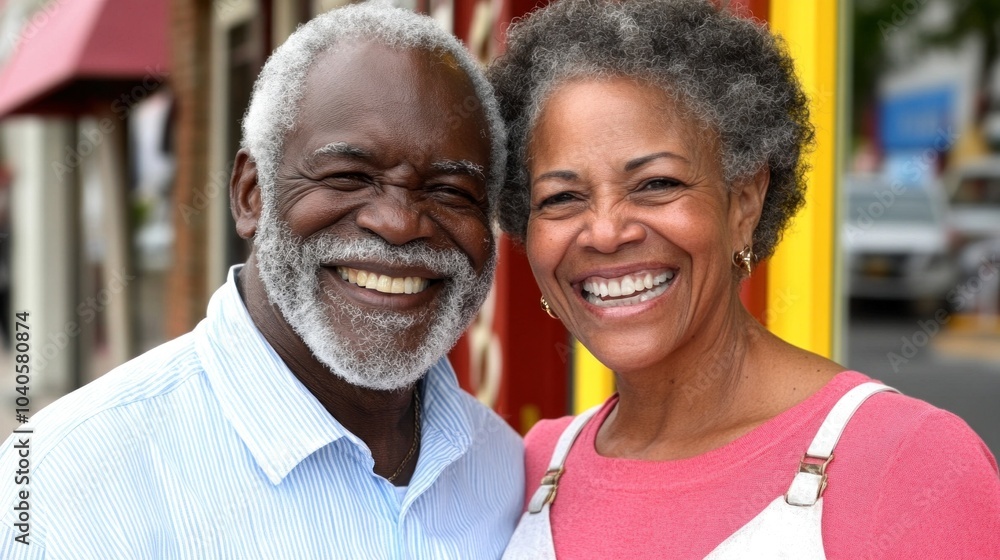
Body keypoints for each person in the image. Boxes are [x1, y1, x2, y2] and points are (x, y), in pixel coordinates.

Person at [0, 3, 523, 558]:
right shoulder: (66, 484)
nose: (397, 223)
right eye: (348, 176)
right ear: (251, 194)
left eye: (449, 191)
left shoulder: (508, 473)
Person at [487, 0, 1000, 558]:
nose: (606, 233)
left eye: (656, 184)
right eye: (562, 198)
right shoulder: (534, 468)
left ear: (745, 203)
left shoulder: (911, 463)